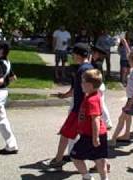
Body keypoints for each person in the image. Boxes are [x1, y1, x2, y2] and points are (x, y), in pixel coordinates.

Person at [42, 43, 93, 171]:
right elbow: (78, 89)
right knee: (86, 136)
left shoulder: (82, 69)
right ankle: (102, 163)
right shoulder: (89, 67)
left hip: (79, 110)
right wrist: (65, 95)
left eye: (73, 54)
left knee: (66, 134)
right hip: (82, 109)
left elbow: (87, 91)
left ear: (77, 55)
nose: (72, 56)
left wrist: (84, 109)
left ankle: (58, 160)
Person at [71, 69, 108, 180]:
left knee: (75, 155)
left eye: (83, 82)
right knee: (99, 159)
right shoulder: (91, 96)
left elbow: (95, 119)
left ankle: (87, 177)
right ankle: (101, 177)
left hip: (92, 135)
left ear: (90, 85)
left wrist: (95, 138)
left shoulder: (92, 100)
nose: (81, 84)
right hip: (90, 134)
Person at [109, 50, 133, 153]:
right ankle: (113, 140)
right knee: (122, 118)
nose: (128, 61)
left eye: (130, 60)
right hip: (132, 100)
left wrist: (129, 105)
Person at [0, 41, 19, 154]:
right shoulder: (7, 62)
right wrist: (4, 83)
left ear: (2, 50)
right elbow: (13, 77)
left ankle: (11, 145)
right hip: (2, 92)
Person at [91, 45, 113, 129]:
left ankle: (108, 123)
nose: (92, 54)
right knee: (100, 104)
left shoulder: (97, 64)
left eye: (94, 53)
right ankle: (106, 122)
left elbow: (97, 76)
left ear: (98, 54)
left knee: (101, 104)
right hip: (98, 85)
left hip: (99, 85)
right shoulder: (94, 62)